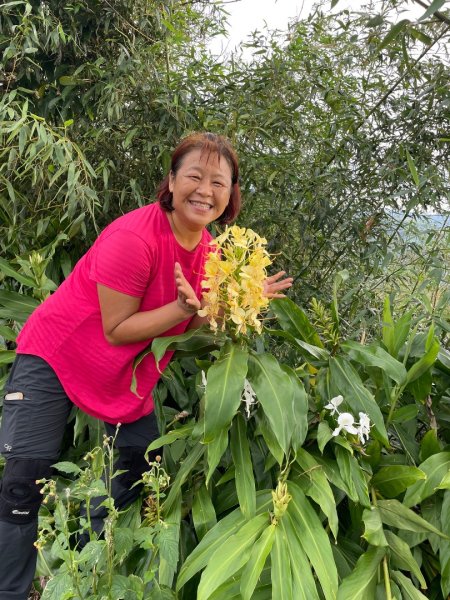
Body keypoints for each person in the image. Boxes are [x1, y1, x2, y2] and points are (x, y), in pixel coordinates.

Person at [0, 132, 292, 599]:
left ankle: (70, 564)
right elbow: (118, 328)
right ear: (172, 181)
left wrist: (244, 298)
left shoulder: (213, 254)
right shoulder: (134, 238)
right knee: (22, 486)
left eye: (218, 181)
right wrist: (184, 309)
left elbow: (203, 315)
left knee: (138, 468)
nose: (205, 190)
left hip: (124, 377)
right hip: (57, 356)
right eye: (194, 175)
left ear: (230, 194)